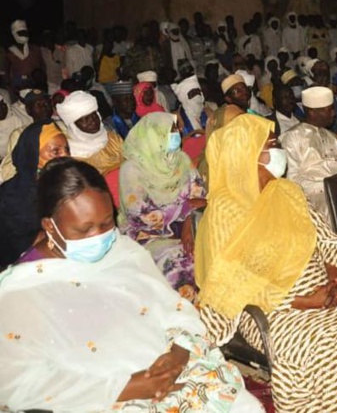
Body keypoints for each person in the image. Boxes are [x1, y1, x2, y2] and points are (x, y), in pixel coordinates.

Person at [195, 115, 337, 412]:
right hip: (273, 311)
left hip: (323, 293)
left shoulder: (288, 192)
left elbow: (327, 242)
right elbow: (231, 283)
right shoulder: (225, 211)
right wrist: (301, 302)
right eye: (271, 145)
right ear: (246, 154)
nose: (279, 151)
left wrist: (334, 283)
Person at [0, 158, 263, 412]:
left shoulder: (121, 249)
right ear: (50, 226)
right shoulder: (20, 291)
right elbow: (17, 385)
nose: (100, 236)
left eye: (106, 223)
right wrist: (127, 388)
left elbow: (174, 307)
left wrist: (179, 355)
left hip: (166, 365)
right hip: (102, 394)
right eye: (84, 229)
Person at [119, 113, 206, 298]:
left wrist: (189, 221)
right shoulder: (132, 170)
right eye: (172, 130)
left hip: (186, 227)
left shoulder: (181, 160)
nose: (179, 132)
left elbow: (199, 197)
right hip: (147, 237)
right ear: (154, 135)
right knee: (182, 265)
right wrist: (184, 210)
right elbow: (144, 217)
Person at [0, 121, 69, 266]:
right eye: (55, 151)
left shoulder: (65, 183)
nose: (65, 156)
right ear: (33, 156)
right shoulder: (11, 196)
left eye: (66, 149)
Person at [280, 87, 337, 220]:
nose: (333, 114)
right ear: (312, 112)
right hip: (311, 211)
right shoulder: (291, 138)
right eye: (329, 110)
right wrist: (326, 187)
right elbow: (291, 181)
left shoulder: (332, 137)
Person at [56, 90, 124, 174]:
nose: (92, 121)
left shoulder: (113, 138)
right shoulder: (72, 157)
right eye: (85, 119)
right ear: (74, 126)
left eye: (94, 115)